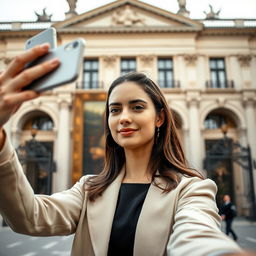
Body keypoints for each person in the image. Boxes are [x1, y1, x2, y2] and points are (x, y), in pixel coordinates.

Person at [0, 44, 246, 256]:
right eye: (115, 110)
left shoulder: (190, 189)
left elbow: (196, 234)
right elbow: (29, 217)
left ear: (159, 118)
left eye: (137, 107)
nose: (123, 118)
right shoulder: (89, 189)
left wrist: (218, 251)